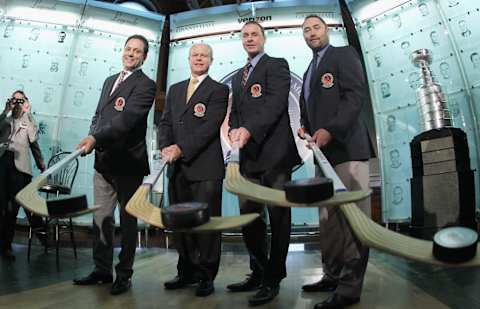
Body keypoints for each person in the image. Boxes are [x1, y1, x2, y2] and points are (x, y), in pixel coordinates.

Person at [299, 15, 374, 309]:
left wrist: (331, 129)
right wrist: (306, 127)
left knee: (354, 223)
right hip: (324, 156)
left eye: (316, 27)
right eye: (306, 30)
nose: (311, 33)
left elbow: (355, 97)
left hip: (348, 151)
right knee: (328, 222)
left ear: (326, 30)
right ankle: (331, 275)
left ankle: (349, 288)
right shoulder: (308, 70)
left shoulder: (343, 55)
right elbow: (311, 109)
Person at [72, 34, 156, 296]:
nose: (131, 54)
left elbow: (126, 121)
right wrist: (92, 138)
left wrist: (95, 138)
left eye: (137, 51)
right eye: (128, 49)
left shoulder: (146, 86)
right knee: (102, 219)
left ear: (144, 57)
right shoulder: (110, 80)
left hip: (128, 165)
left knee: (128, 222)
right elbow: (99, 115)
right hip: (103, 163)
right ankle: (101, 270)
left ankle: (124, 275)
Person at [226, 21, 301, 306]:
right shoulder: (237, 77)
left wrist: (249, 130)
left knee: (280, 219)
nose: (249, 39)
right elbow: (236, 112)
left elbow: (275, 105)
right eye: (245, 35)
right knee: (250, 218)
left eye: (254, 34)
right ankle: (258, 271)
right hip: (248, 159)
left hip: (275, 157)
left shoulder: (277, 65)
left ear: (264, 37)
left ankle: (273, 278)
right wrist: (233, 128)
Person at [158, 43, 228, 297]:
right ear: (188, 59)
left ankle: (206, 276)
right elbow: (165, 123)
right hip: (176, 169)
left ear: (211, 60)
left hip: (205, 169)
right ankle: (186, 270)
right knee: (181, 224)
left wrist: (181, 148)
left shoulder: (219, 90)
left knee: (206, 226)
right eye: (195, 55)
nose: (199, 59)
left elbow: (209, 128)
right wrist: (167, 147)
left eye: (204, 55)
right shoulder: (176, 90)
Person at [0, 90, 46, 261]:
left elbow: (34, 140)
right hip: (4, 163)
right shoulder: (5, 118)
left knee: (14, 207)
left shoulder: (28, 119)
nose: (17, 102)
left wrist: (28, 114)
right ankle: (4, 245)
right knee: (3, 207)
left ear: (26, 102)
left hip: (20, 168)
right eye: (15, 99)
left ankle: (7, 246)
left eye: (21, 100)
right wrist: (5, 111)